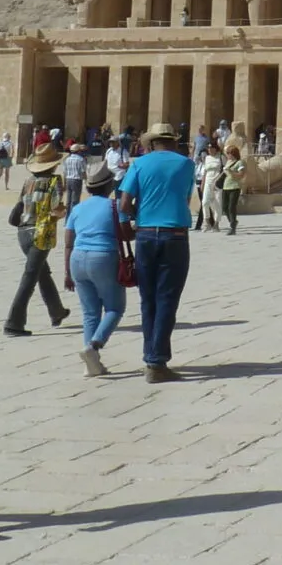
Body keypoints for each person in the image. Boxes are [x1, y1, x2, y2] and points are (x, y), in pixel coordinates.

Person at [119, 123, 194, 382]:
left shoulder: (139, 164)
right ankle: (156, 361)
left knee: (147, 298)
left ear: (151, 143)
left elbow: (124, 203)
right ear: (174, 141)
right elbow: (185, 199)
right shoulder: (186, 164)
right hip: (175, 235)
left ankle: (150, 356)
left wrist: (136, 217)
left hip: (146, 234)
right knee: (167, 299)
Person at [61, 162, 126, 376]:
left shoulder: (77, 209)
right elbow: (125, 232)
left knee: (90, 312)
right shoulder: (114, 206)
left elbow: (68, 242)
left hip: (77, 258)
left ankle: (92, 365)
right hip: (103, 257)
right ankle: (94, 345)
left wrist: (67, 273)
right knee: (115, 308)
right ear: (109, 185)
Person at [1, 145, 70, 337]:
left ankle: (57, 311)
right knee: (30, 276)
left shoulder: (28, 181)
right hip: (41, 233)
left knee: (42, 272)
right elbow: (55, 209)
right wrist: (63, 213)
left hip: (23, 232)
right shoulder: (55, 181)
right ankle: (13, 322)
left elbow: (21, 205)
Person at [195, 143, 225, 232]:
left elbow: (225, 170)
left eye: (211, 148)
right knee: (205, 202)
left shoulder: (221, 157)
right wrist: (202, 183)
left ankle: (216, 224)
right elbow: (205, 171)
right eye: (208, 148)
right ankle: (207, 222)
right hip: (208, 181)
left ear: (215, 148)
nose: (210, 149)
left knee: (217, 203)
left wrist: (219, 180)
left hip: (217, 182)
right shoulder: (207, 158)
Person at [221, 146, 246, 232]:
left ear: (234, 154)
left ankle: (232, 227)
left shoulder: (240, 162)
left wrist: (231, 172)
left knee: (231, 207)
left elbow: (241, 175)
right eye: (227, 153)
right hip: (226, 186)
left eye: (229, 153)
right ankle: (233, 221)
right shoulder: (228, 162)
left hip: (235, 187)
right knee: (224, 207)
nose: (227, 155)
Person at [61, 142, 86, 208]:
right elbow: (83, 172)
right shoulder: (81, 159)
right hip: (77, 180)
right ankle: (73, 213)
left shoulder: (67, 159)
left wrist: (64, 183)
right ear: (78, 151)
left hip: (68, 180)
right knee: (75, 200)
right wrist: (86, 180)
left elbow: (64, 172)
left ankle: (68, 214)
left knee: (68, 200)